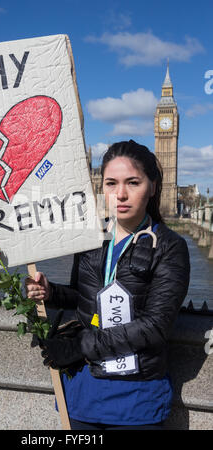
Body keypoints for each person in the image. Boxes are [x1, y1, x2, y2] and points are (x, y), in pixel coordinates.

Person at [25, 140, 190, 430]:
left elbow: (154, 326)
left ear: (152, 187)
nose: (121, 194)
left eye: (133, 183)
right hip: (83, 393)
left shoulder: (169, 247)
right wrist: (50, 293)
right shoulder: (92, 238)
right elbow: (84, 298)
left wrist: (81, 345)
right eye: (111, 183)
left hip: (136, 400)